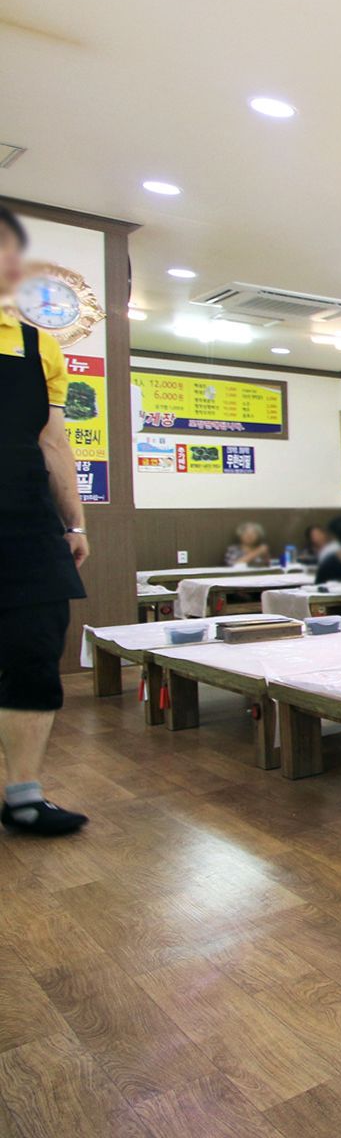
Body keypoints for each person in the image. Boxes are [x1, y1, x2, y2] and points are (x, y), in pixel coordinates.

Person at [0, 205, 88, 834]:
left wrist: (74, 523)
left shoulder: (38, 345)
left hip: (27, 524)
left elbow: (53, 441)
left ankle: (24, 796)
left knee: (34, 653)